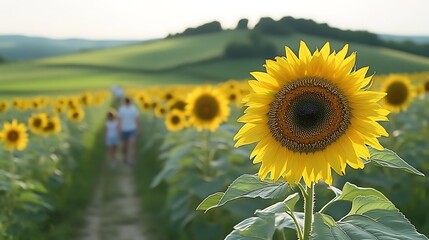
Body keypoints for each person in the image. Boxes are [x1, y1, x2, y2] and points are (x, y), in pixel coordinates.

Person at [118, 96, 140, 165]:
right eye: (126, 101)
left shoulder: (134, 109)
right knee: (124, 146)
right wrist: (119, 130)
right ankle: (125, 158)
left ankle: (132, 161)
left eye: (128, 101)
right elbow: (120, 120)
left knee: (131, 145)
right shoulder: (121, 109)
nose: (127, 102)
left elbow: (136, 120)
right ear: (125, 101)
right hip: (124, 129)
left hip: (132, 129)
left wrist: (138, 129)